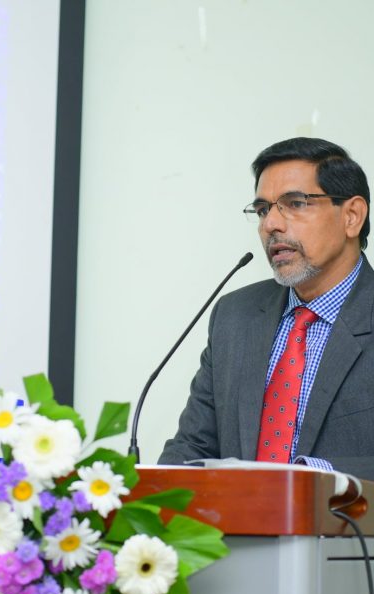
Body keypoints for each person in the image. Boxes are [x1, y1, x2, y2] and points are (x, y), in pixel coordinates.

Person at [158, 137, 374, 481]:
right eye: (262, 210)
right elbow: (193, 447)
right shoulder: (235, 316)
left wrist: (304, 479)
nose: (271, 224)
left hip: (342, 517)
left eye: (295, 203)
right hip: (234, 518)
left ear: (352, 216)